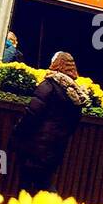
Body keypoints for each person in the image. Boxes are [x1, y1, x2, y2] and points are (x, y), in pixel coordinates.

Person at [12, 52, 90, 194]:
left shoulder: (48, 86)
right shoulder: (75, 92)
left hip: (36, 143)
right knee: (45, 181)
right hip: (57, 145)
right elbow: (74, 122)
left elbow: (32, 114)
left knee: (28, 184)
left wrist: (18, 132)